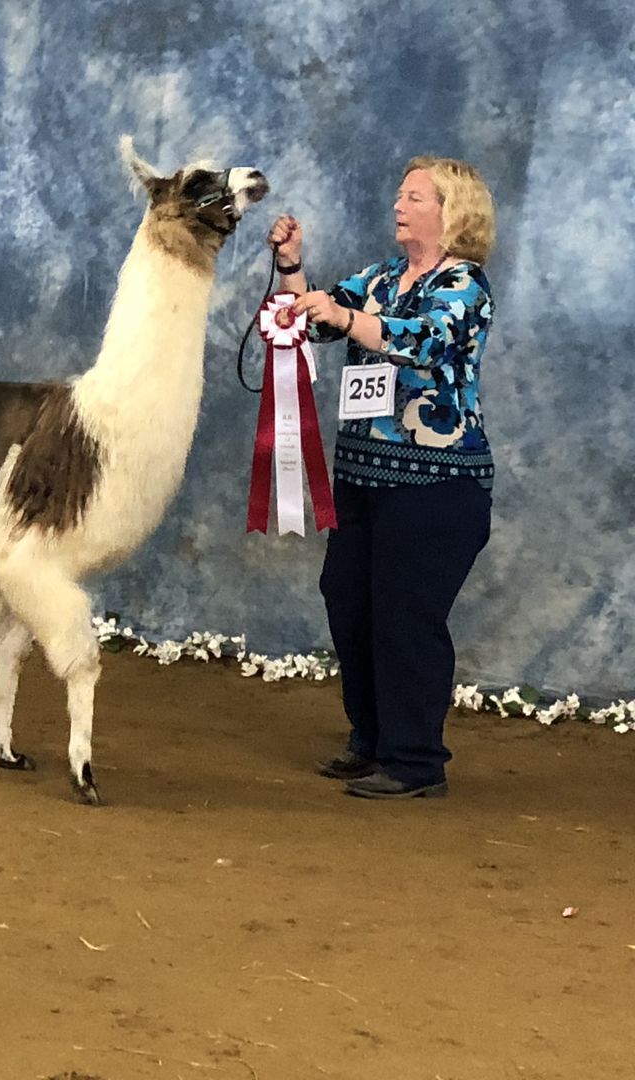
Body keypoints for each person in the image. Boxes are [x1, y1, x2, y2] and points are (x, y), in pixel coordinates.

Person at [269, 157, 498, 800]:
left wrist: (346, 320)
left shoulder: (465, 287)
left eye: (415, 196)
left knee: (407, 616)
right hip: (364, 479)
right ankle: (370, 739)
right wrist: (292, 267)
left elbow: (423, 340)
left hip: (436, 486)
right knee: (350, 602)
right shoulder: (381, 278)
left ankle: (416, 761)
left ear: (451, 212)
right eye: (399, 194)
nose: (399, 204)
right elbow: (313, 317)